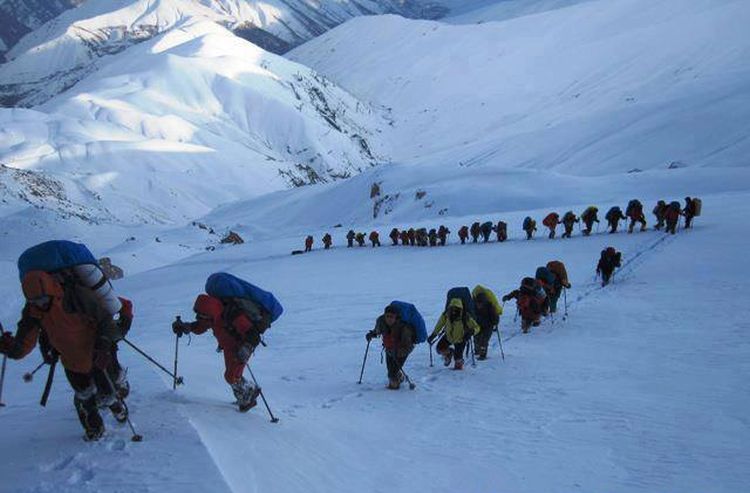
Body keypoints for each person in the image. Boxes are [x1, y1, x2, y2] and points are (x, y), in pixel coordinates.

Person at [1, 241, 133, 441]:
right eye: (35, 301)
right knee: (85, 396)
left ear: (52, 290)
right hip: (74, 360)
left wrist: (104, 346)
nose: (40, 304)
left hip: (97, 354)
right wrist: (10, 348)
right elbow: (24, 343)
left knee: (108, 390)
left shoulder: (77, 296)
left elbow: (105, 319)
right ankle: (95, 428)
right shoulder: (34, 310)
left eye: (43, 299)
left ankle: (117, 409)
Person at [172, 273, 281, 412]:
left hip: (240, 346)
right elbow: (200, 327)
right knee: (233, 375)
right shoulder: (211, 315)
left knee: (231, 376)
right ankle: (246, 395)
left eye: (204, 316)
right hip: (229, 346)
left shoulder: (233, 314)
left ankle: (249, 396)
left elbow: (253, 335)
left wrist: (246, 349)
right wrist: (187, 327)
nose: (202, 319)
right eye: (199, 316)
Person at [365, 304, 416, 389]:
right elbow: (377, 331)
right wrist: (372, 334)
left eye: (391, 316)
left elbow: (408, 346)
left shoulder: (404, 328)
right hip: (389, 349)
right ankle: (399, 377)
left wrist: (398, 353)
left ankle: (394, 386)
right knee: (391, 370)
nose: (389, 318)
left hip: (401, 351)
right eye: (387, 316)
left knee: (391, 374)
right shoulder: (381, 322)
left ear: (396, 317)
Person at [427, 299, 479, 370]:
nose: (454, 311)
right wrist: (434, 335)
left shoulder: (465, 316)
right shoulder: (446, 315)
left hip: (461, 339)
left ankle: (458, 365)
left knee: (458, 362)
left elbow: (477, 327)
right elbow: (439, 325)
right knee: (439, 349)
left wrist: (472, 332)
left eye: (456, 309)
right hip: (448, 337)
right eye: (452, 308)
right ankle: (449, 353)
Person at [471, 286, 501, 360]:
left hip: (488, 326)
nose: (479, 305)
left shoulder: (490, 307)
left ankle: (483, 354)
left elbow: (495, 317)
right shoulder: (474, 307)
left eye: (480, 303)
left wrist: (495, 323)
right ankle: (477, 350)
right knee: (476, 338)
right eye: (478, 303)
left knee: (484, 341)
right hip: (477, 325)